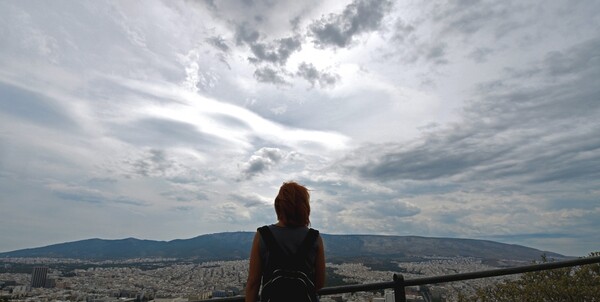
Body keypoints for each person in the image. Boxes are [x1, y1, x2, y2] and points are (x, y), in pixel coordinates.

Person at [245, 181, 326, 302]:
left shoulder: (262, 235)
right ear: (304, 207)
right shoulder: (314, 237)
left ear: (278, 206)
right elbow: (319, 283)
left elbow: (253, 283)